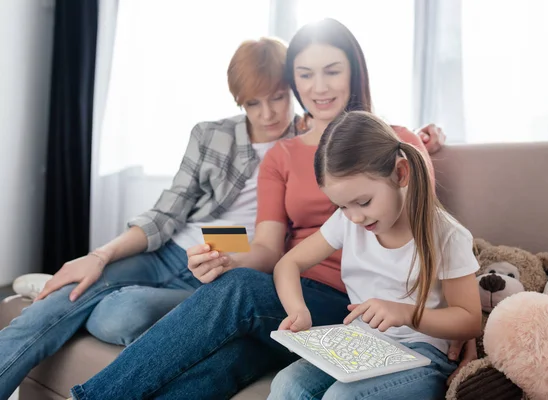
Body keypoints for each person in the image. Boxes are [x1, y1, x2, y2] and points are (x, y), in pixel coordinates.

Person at [66, 19, 454, 400]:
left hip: (358, 305)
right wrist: (228, 263)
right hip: (291, 300)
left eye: (332, 71)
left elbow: (429, 232)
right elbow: (269, 249)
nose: (318, 87)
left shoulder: (398, 142)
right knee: (218, 366)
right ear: (294, 82)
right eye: (304, 75)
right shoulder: (281, 155)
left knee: (238, 291)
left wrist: (458, 323)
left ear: (355, 71)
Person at [0, 37, 306, 400]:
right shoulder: (211, 134)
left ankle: (102, 295)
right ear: (239, 101)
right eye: (254, 103)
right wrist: (99, 256)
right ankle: (80, 289)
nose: (268, 114)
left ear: (293, 91)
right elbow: (167, 211)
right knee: (56, 304)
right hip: (170, 250)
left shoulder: (307, 143)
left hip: (220, 273)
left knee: (119, 316)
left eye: (278, 97)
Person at [268, 110, 482, 399]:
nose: (355, 217)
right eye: (342, 206)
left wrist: (406, 313)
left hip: (423, 353)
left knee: (342, 398)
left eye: (364, 202)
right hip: (361, 344)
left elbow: (469, 320)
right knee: (287, 384)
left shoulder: (446, 235)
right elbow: (288, 264)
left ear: (400, 173)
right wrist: (298, 311)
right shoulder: (348, 222)